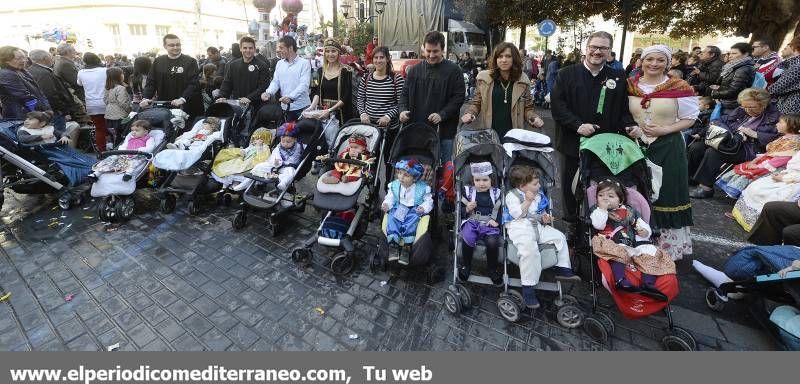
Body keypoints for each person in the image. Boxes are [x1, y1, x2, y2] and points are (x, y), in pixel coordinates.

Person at [550, 31, 641, 222]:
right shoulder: (566, 74)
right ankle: (572, 224)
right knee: (570, 186)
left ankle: (597, 225)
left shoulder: (617, 77)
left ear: (609, 51)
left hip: (604, 146)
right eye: (594, 47)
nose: (597, 51)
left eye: (603, 48)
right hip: (572, 141)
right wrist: (577, 125)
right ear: (587, 48)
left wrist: (630, 126)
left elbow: (623, 111)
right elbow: (558, 107)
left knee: (599, 188)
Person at [627, 45, 698, 260]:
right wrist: (632, 128)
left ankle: (666, 248)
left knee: (667, 192)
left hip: (668, 146)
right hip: (636, 145)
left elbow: (691, 118)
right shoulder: (630, 85)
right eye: (650, 59)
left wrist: (665, 129)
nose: (654, 64)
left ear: (668, 63)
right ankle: (635, 240)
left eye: (660, 60)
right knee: (636, 191)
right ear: (642, 60)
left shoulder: (679, 86)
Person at [504, 165, 577, 309]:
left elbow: (539, 212)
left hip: (537, 225)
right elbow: (516, 214)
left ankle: (563, 268)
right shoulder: (512, 195)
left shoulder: (539, 195)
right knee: (529, 251)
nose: (539, 186)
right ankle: (528, 288)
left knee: (559, 237)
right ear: (522, 186)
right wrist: (527, 201)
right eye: (535, 184)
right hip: (520, 227)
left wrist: (544, 218)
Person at [589, 179, 674, 301]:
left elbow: (641, 223)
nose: (605, 199)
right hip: (609, 241)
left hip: (631, 242)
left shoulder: (630, 211)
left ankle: (648, 284)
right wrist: (602, 209)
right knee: (619, 251)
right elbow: (598, 225)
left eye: (610, 196)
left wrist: (645, 231)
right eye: (600, 195)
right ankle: (620, 280)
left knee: (650, 251)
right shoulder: (597, 210)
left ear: (621, 200)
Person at [688, 88, 780, 198]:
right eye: (744, 106)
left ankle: (705, 188)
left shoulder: (773, 117)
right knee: (697, 147)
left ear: (763, 105)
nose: (747, 110)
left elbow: (777, 138)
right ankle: (691, 178)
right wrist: (730, 132)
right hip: (730, 141)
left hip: (749, 149)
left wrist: (755, 134)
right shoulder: (741, 110)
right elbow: (721, 120)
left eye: (751, 107)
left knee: (714, 153)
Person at [399, 31, 465, 164]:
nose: (431, 55)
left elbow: (458, 97)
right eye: (428, 51)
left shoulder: (454, 71)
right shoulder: (414, 70)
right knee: (418, 169)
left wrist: (442, 114)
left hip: (444, 131)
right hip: (417, 130)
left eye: (435, 51)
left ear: (443, 50)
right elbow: (404, 94)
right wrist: (402, 109)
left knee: (444, 168)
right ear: (423, 48)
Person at [460, 42, 544, 137]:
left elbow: (528, 108)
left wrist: (533, 117)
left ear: (514, 58)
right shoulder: (484, 79)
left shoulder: (523, 81)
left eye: (508, 56)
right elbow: (477, 103)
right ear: (495, 59)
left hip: (514, 136)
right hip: (489, 134)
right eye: (500, 56)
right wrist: (470, 113)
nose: (504, 60)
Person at [717, 113, 800, 199]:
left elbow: (781, 159)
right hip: (766, 162)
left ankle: (743, 197)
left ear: (792, 126)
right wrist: (755, 160)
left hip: (773, 167)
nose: (777, 124)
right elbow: (771, 153)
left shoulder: (794, 142)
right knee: (745, 167)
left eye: (780, 122)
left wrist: (758, 166)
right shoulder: (785, 138)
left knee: (751, 174)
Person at [216, 36, 271, 138]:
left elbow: (264, 86)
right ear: (240, 49)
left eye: (250, 48)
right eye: (245, 48)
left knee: (251, 134)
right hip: (237, 106)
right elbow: (227, 83)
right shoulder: (233, 65)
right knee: (236, 132)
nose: (248, 50)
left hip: (256, 106)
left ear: (254, 49)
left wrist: (249, 98)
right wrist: (221, 96)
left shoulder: (262, 65)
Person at [458, 162, 503, 285]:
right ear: (473, 180)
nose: (481, 183)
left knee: (493, 242)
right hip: (472, 220)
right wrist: (467, 208)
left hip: (489, 223)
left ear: (491, 180)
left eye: (485, 180)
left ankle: (491, 268)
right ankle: (466, 265)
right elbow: (460, 210)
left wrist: (497, 221)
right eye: (477, 180)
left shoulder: (496, 193)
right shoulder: (468, 192)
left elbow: (500, 209)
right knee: (467, 237)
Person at [140, 34, 203, 122]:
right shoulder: (158, 61)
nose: (175, 47)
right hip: (165, 105)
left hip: (187, 105)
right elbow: (151, 82)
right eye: (171, 45)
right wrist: (146, 97)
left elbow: (193, 83)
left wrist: (182, 99)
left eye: (178, 44)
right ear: (165, 46)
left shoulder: (190, 61)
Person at [381, 158, 433, 265]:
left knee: (412, 221)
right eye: (399, 173)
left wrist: (423, 207)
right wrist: (386, 204)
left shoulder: (422, 188)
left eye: (406, 175)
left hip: (414, 208)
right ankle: (393, 244)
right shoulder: (395, 185)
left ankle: (407, 246)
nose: (401, 177)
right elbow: (390, 198)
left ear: (414, 178)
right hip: (399, 207)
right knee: (393, 218)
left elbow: (429, 201)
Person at [307, 38, 353, 150]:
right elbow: (316, 91)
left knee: (340, 146)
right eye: (327, 51)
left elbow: (347, 95)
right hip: (323, 113)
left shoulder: (347, 71)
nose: (330, 54)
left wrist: (330, 110)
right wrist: (312, 107)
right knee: (322, 145)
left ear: (339, 53)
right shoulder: (318, 71)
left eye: (333, 51)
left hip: (341, 114)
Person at [261, 35, 311, 122]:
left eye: (281, 48)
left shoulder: (304, 63)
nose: (278, 50)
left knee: (302, 135)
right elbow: (276, 82)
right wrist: (268, 92)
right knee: (285, 135)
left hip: (302, 108)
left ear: (290, 48)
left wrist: (290, 97)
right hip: (285, 108)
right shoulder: (279, 63)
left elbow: (304, 85)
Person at [27, 49, 76, 137]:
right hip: (54, 111)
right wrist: (62, 109)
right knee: (59, 137)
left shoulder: (34, 70)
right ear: (45, 58)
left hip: (48, 110)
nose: (53, 59)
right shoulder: (43, 73)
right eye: (51, 57)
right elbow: (50, 94)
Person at [88, 119, 156, 182]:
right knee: (111, 159)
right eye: (132, 130)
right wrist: (122, 151)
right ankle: (96, 173)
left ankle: (128, 173)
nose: (133, 132)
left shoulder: (148, 139)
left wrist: (138, 150)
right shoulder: (130, 137)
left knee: (135, 162)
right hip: (125, 154)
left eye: (137, 130)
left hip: (138, 155)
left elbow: (150, 148)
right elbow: (124, 145)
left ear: (145, 132)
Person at [0, 46, 51, 119]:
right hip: (23, 117)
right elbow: (25, 97)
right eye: (19, 58)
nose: (24, 60)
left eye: (24, 57)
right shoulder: (6, 74)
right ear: (6, 60)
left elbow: (38, 92)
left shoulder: (21, 71)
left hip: (34, 113)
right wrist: (43, 115)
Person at [253, 121, 305, 191]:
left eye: (288, 142)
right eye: (283, 141)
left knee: (291, 172)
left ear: (295, 140)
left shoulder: (298, 147)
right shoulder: (279, 147)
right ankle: (257, 182)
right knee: (259, 166)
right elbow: (275, 155)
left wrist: (281, 163)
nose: (285, 144)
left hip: (287, 167)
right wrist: (276, 161)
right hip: (275, 165)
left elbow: (296, 158)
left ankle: (283, 183)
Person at [710, 42, 755, 117]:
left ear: (746, 54)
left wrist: (714, 94)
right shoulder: (733, 66)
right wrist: (719, 88)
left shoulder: (744, 68)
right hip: (727, 102)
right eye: (730, 53)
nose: (730, 56)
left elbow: (735, 90)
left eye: (734, 53)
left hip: (733, 105)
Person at [77, 52, 110, 151]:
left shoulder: (81, 72)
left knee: (99, 128)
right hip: (107, 102)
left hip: (91, 103)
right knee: (114, 127)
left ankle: (102, 151)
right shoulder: (105, 70)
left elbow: (79, 84)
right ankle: (116, 146)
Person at [767, 35, 800, 115]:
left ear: (794, 47)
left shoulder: (797, 65)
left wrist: (766, 90)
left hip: (791, 105)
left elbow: (778, 87)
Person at [103, 66, 131, 147]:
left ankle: (113, 149)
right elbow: (123, 103)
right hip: (120, 116)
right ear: (118, 76)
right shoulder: (121, 88)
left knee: (114, 136)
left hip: (109, 115)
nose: (123, 75)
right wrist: (130, 110)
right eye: (122, 73)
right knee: (121, 136)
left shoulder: (107, 87)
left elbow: (105, 100)